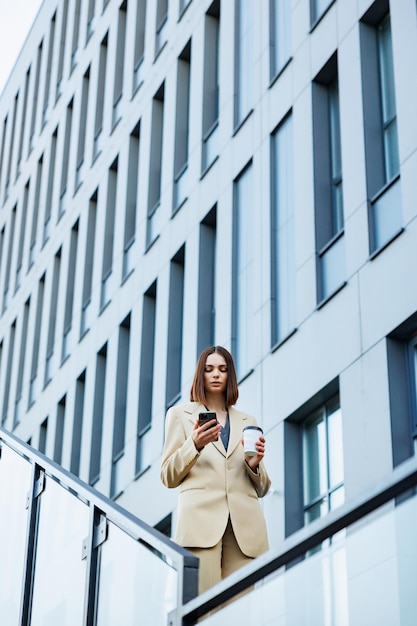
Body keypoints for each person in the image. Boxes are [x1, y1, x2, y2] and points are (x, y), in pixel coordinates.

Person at [160, 345, 270, 595]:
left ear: (230, 375)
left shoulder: (247, 421)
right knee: (202, 611)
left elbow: (263, 487)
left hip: (243, 529)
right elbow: (167, 475)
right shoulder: (180, 415)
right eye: (209, 369)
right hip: (200, 526)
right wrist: (195, 444)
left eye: (223, 369)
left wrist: (254, 466)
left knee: (240, 613)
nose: (216, 374)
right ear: (201, 375)